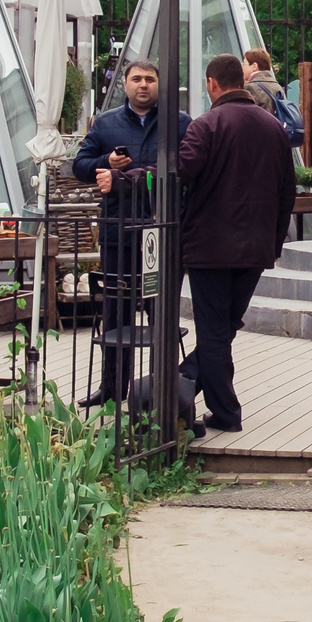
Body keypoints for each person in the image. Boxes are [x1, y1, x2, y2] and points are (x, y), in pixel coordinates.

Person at [176, 53, 298, 433]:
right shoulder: (273, 127)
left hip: (209, 247)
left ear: (212, 84)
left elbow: (179, 173)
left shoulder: (205, 125)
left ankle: (223, 410)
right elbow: (287, 192)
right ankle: (184, 384)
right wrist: (274, 244)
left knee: (214, 330)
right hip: (255, 248)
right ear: (241, 81)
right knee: (225, 326)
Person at [71, 58, 189, 409]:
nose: (143, 85)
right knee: (115, 312)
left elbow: (187, 168)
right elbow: (79, 166)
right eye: (136, 79)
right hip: (117, 231)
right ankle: (112, 388)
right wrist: (105, 162)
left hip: (160, 233)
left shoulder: (178, 123)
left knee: (160, 312)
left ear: (159, 84)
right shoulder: (106, 124)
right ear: (125, 84)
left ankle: (159, 389)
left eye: (149, 79)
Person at [240, 47, 304, 144]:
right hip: (276, 139)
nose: (242, 68)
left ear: (254, 66)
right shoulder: (276, 85)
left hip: (260, 141)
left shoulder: (252, 87)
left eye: (244, 64)